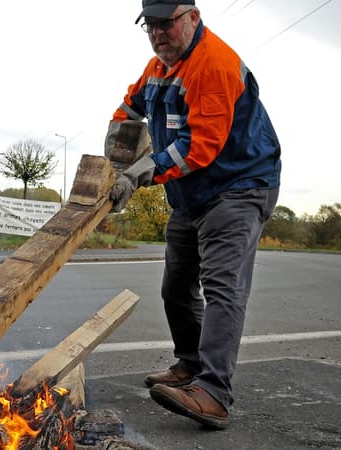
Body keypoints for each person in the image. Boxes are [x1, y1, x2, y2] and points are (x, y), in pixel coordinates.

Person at [106, 0, 282, 430]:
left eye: (167, 23)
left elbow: (198, 147)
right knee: (176, 287)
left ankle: (214, 393)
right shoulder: (156, 70)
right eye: (150, 25)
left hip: (239, 185)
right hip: (192, 193)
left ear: (193, 17)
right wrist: (115, 150)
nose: (158, 33)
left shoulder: (214, 65)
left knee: (222, 287)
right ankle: (189, 364)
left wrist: (139, 172)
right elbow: (128, 111)